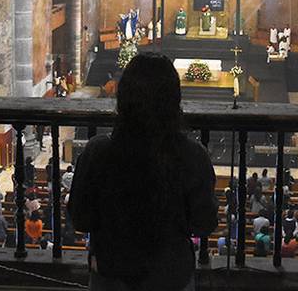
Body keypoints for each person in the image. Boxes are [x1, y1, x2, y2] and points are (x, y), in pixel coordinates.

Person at [68, 53, 218, 291]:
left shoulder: (98, 153)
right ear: (174, 100)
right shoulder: (192, 156)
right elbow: (204, 223)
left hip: (112, 274)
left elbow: (81, 219)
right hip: (170, 276)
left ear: (122, 97)